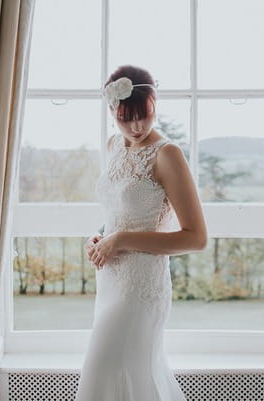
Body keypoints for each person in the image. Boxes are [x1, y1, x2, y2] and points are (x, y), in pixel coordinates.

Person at [74, 64, 208, 400]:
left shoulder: (168, 155)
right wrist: (101, 236)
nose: (136, 126)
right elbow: (119, 212)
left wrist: (121, 240)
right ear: (111, 111)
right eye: (125, 117)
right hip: (110, 280)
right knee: (120, 376)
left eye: (144, 115)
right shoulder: (112, 145)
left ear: (155, 105)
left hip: (141, 287)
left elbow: (196, 237)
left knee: (107, 367)